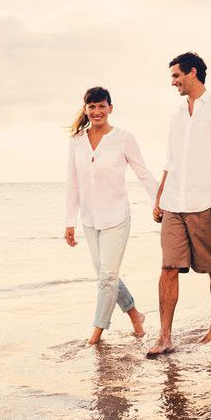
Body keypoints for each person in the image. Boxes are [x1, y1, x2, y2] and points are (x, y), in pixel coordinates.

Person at [146, 52, 211, 357]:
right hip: (174, 202)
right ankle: (164, 336)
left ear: (193, 72)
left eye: (176, 76)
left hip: (206, 202)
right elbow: (170, 162)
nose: (173, 82)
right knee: (168, 267)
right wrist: (159, 197)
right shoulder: (176, 117)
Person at [64, 86, 158, 345]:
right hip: (89, 219)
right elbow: (72, 182)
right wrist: (69, 221)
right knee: (106, 275)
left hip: (117, 217)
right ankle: (135, 315)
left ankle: (96, 334)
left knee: (107, 278)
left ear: (110, 108)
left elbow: (142, 172)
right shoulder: (77, 141)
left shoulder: (123, 138)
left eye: (101, 106)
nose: (97, 111)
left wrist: (159, 201)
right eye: (91, 107)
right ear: (86, 109)